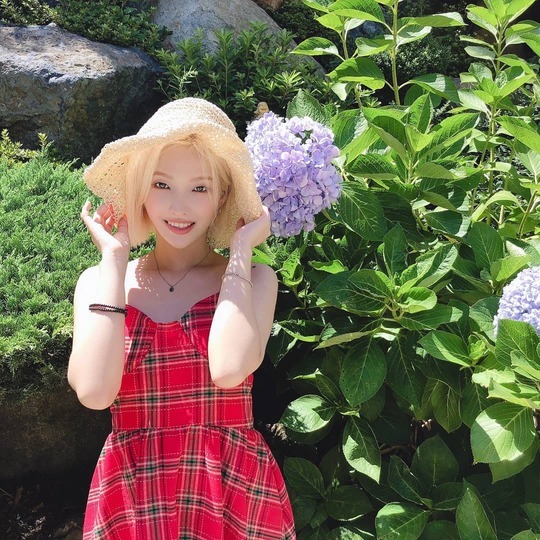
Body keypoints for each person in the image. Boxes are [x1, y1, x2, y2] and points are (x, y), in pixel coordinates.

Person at [67, 98, 296, 539]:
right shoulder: (99, 282)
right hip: (132, 493)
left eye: (200, 188)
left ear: (223, 197)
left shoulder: (256, 279)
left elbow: (229, 369)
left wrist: (242, 249)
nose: (179, 206)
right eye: (161, 184)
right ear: (140, 191)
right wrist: (114, 259)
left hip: (230, 490)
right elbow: (95, 392)